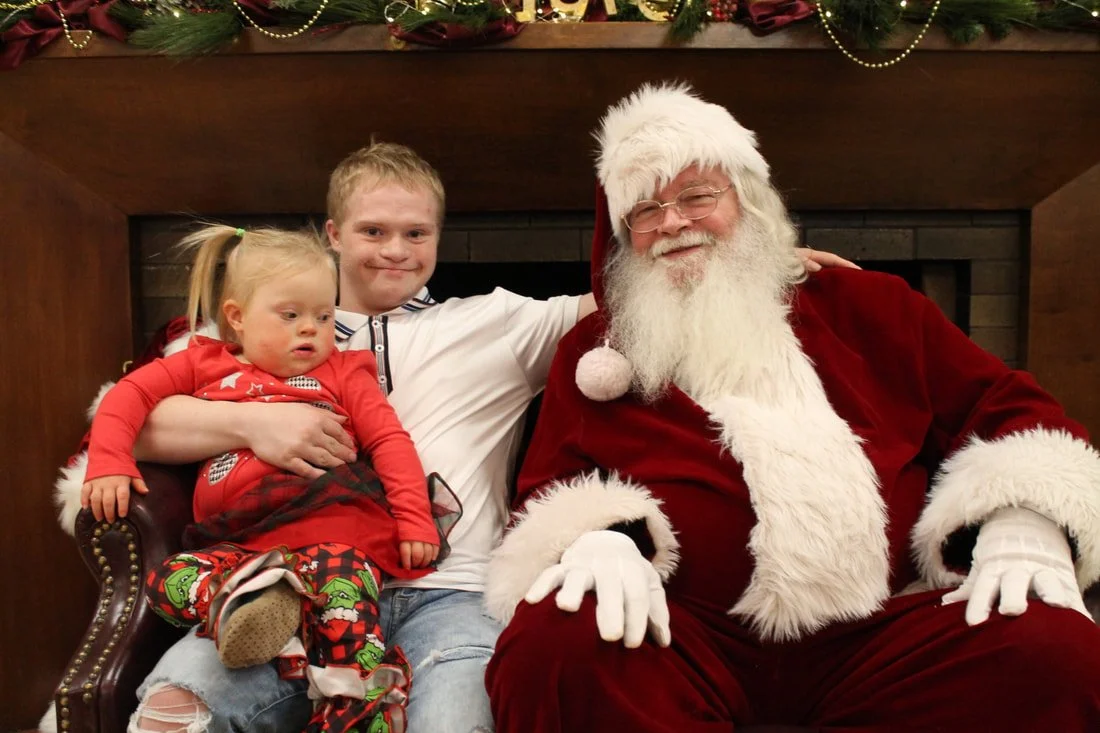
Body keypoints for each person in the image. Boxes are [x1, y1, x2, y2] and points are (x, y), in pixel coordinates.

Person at [67, 143, 848, 733]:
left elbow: (630, 303)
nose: (396, 250)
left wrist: (764, 267)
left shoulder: (494, 322)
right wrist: (255, 419)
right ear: (333, 233)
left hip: (453, 592)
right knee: (177, 706)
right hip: (284, 584)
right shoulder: (256, 331)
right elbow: (134, 420)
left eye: (417, 232)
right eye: (374, 230)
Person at [484, 83, 1100, 732]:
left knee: (1053, 652)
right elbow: (548, 488)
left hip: (881, 637)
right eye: (644, 209)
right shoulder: (594, 352)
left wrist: (1022, 518)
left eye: (697, 195)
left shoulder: (874, 307)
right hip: (679, 638)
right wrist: (599, 541)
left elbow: (1009, 406)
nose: (672, 222)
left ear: (747, 201)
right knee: (553, 645)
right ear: (622, 235)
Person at [81, 224, 452, 733]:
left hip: (333, 535)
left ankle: (359, 711)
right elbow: (127, 396)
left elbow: (390, 442)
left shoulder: (344, 373)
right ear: (236, 317)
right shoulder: (203, 364)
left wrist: (414, 521)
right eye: (291, 315)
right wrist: (108, 462)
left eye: (324, 316)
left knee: (348, 630)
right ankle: (258, 599)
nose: (310, 330)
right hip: (242, 544)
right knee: (168, 579)